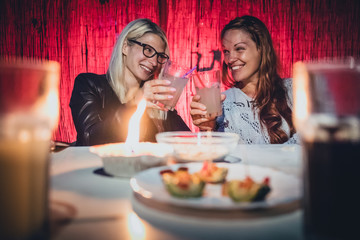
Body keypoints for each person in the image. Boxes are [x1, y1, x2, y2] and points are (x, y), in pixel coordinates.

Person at [70, 18, 189, 146]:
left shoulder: (157, 100)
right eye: (148, 50)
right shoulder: (89, 84)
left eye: (159, 56)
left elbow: (188, 144)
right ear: (125, 47)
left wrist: (207, 127)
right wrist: (135, 102)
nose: (154, 62)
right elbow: (89, 138)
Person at [190, 15, 298, 144]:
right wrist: (207, 129)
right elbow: (214, 157)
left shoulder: (295, 90)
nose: (230, 59)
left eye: (239, 48)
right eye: (226, 51)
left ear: (262, 49)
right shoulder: (222, 104)